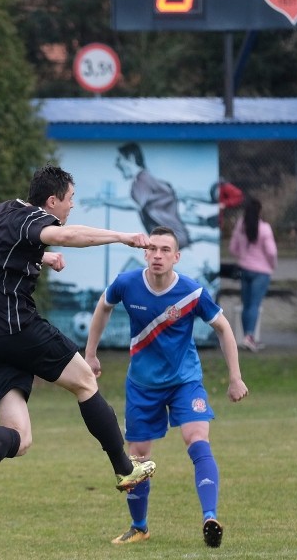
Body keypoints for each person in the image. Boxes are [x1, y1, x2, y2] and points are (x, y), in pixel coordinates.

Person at [0, 164, 157, 501]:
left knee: (21, 437)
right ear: (52, 201)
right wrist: (123, 237)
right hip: (19, 330)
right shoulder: (33, 219)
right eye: (70, 199)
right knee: (86, 382)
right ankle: (124, 468)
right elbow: (69, 236)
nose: (72, 206)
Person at [84, 226, 249, 548]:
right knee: (138, 458)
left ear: (176, 257)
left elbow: (224, 329)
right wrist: (90, 354)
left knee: (196, 438)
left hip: (185, 382)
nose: (158, 255)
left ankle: (210, 517)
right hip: (142, 385)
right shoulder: (127, 283)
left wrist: (235, 377)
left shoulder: (192, 292)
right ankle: (139, 526)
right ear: (145, 253)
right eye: (153, 249)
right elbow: (103, 306)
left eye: (165, 250)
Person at [228, 198, 278, 352]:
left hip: (245, 269)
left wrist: (242, 257)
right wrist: (272, 265)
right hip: (261, 271)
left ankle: (245, 336)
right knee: (255, 305)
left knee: (246, 304)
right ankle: (250, 336)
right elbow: (271, 252)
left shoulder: (240, 227)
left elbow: (232, 248)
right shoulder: (264, 228)